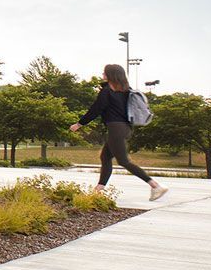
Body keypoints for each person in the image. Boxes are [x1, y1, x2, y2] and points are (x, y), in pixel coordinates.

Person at [71, 64, 167, 201]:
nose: (102, 74)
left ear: (111, 75)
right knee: (105, 157)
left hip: (116, 128)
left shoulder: (107, 91)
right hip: (126, 128)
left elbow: (96, 109)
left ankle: (155, 185)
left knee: (124, 161)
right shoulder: (127, 90)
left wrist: (79, 124)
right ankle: (97, 191)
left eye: (104, 72)